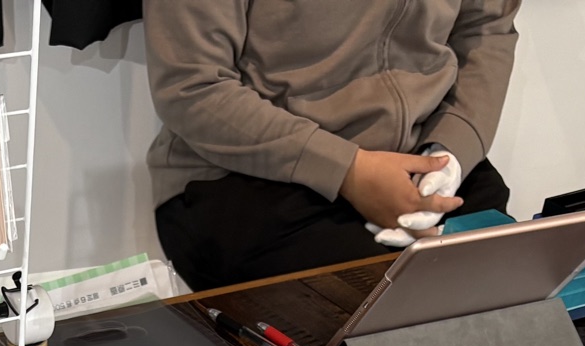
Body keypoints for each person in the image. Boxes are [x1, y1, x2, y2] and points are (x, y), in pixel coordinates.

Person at [146, 0, 521, 291]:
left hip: (420, 154)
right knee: (396, 332)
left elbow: (487, 28)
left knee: (521, 302)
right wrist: (348, 170)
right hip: (252, 177)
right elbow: (191, 88)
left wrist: (452, 150)